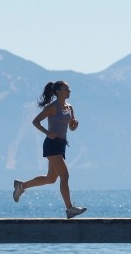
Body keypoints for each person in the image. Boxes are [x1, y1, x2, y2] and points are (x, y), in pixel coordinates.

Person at [12, 80, 87, 219]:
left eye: (69, 89)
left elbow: (71, 127)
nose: (69, 91)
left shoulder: (69, 107)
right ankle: (70, 209)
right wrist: (47, 133)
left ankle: (21, 186)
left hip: (62, 145)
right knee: (65, 176)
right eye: (66, 89)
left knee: (51, 178)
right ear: (58, 91)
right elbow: (35, 121)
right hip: (51, 144)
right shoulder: (52, 107)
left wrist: (74, 125)